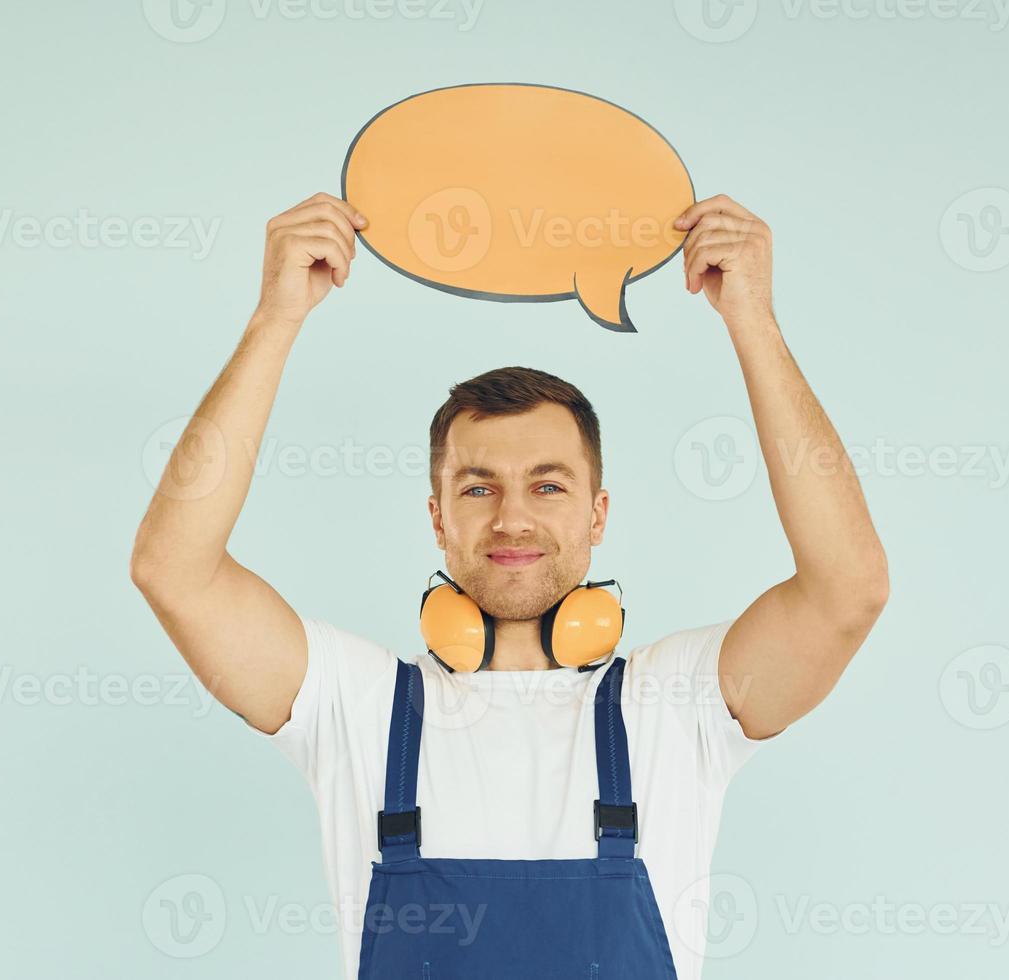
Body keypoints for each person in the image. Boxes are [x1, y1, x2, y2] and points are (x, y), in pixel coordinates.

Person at [130, 191, 889, 979]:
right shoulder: (357, 704)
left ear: (599, 515)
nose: (512, 520)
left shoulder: (678, 704)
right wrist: (275, 319)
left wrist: (754, 323)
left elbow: (848, 589)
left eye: (549, 486)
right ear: (437, 518)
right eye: (479, 487)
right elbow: (173, 570)